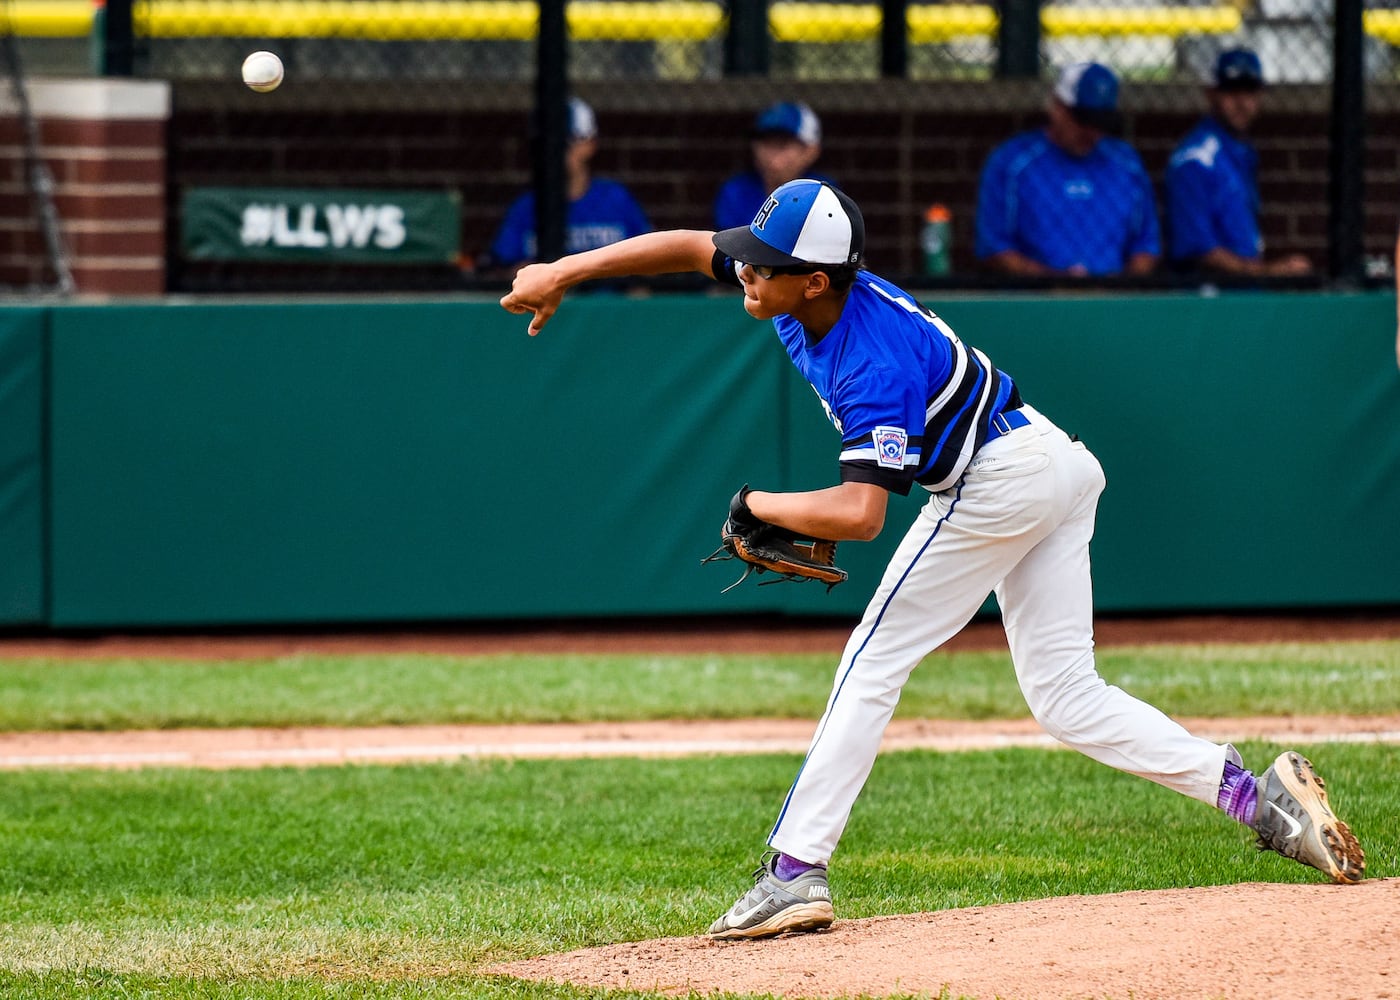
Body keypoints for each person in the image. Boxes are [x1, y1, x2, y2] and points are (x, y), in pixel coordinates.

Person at [499, 178, 1366, 940]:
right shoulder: (799, 287)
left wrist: (755, 505)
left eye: (763, 263)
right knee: (1066, 698)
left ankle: (795, 872)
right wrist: (563, 274)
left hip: (1001, 479)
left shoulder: (869, 357)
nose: (745, 271)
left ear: (814, 279)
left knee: (873, 656)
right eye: (751, 256)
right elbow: (691, 246)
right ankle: (1258, 799)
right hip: (1052, 463)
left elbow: (861, 515)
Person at [975, 63, 1159, 277]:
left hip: (1111, 300)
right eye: (1083, 119)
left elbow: (1146, 246)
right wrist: (1055, 282)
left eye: (1100, 121)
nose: (1091, 131)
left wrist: (1118, 289)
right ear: (1056, 107)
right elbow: (994, 248)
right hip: (1035, 299)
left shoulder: (1127, 164)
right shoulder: (1012, 163)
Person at [1164, 48, 1313, 277]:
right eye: (1232, 92)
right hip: (1208, 295)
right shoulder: (1196, 159)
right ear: (1212, 94)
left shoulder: (1241, 152)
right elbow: (1199, 252)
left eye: (1250, 92)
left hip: (1241, 290)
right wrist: (1268, 272)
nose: (1242, 102)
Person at [485, 98, 651, 273]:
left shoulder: (617, 199)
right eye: (548, 143)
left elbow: (648, 263)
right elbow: (502, 269)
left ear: (590, 143)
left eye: (567, 141)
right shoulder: (526, 207)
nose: (557, 151)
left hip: (607, 299)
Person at [714, 102, 833, 232]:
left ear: (810, 151)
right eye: (766, 143)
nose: (771, 154)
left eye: (782, 144)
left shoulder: (824, 193)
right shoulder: (736, 192)